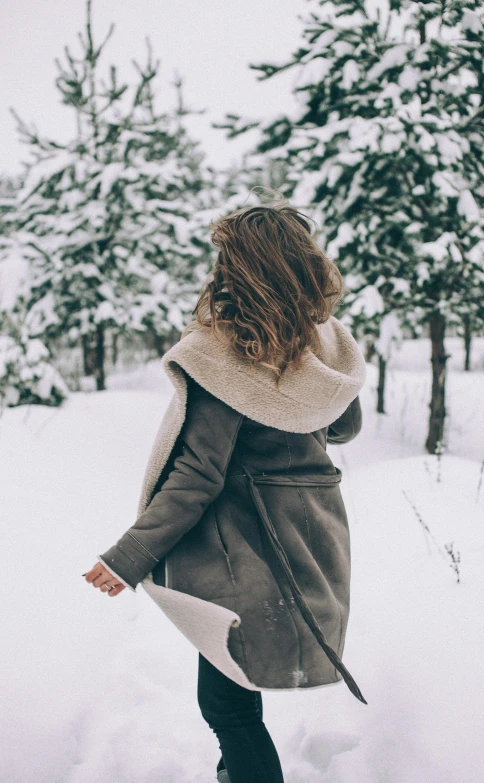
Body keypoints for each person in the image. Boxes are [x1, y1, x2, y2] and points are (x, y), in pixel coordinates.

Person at [84, 191, 367, 783]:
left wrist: (127, 558)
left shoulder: (226, 354)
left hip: (249, 552)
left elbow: (195, 476)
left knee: (228, 709)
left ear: (240, 269)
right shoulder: (324, 344)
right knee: (236, 700)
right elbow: (344, 424)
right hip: (313, 539)